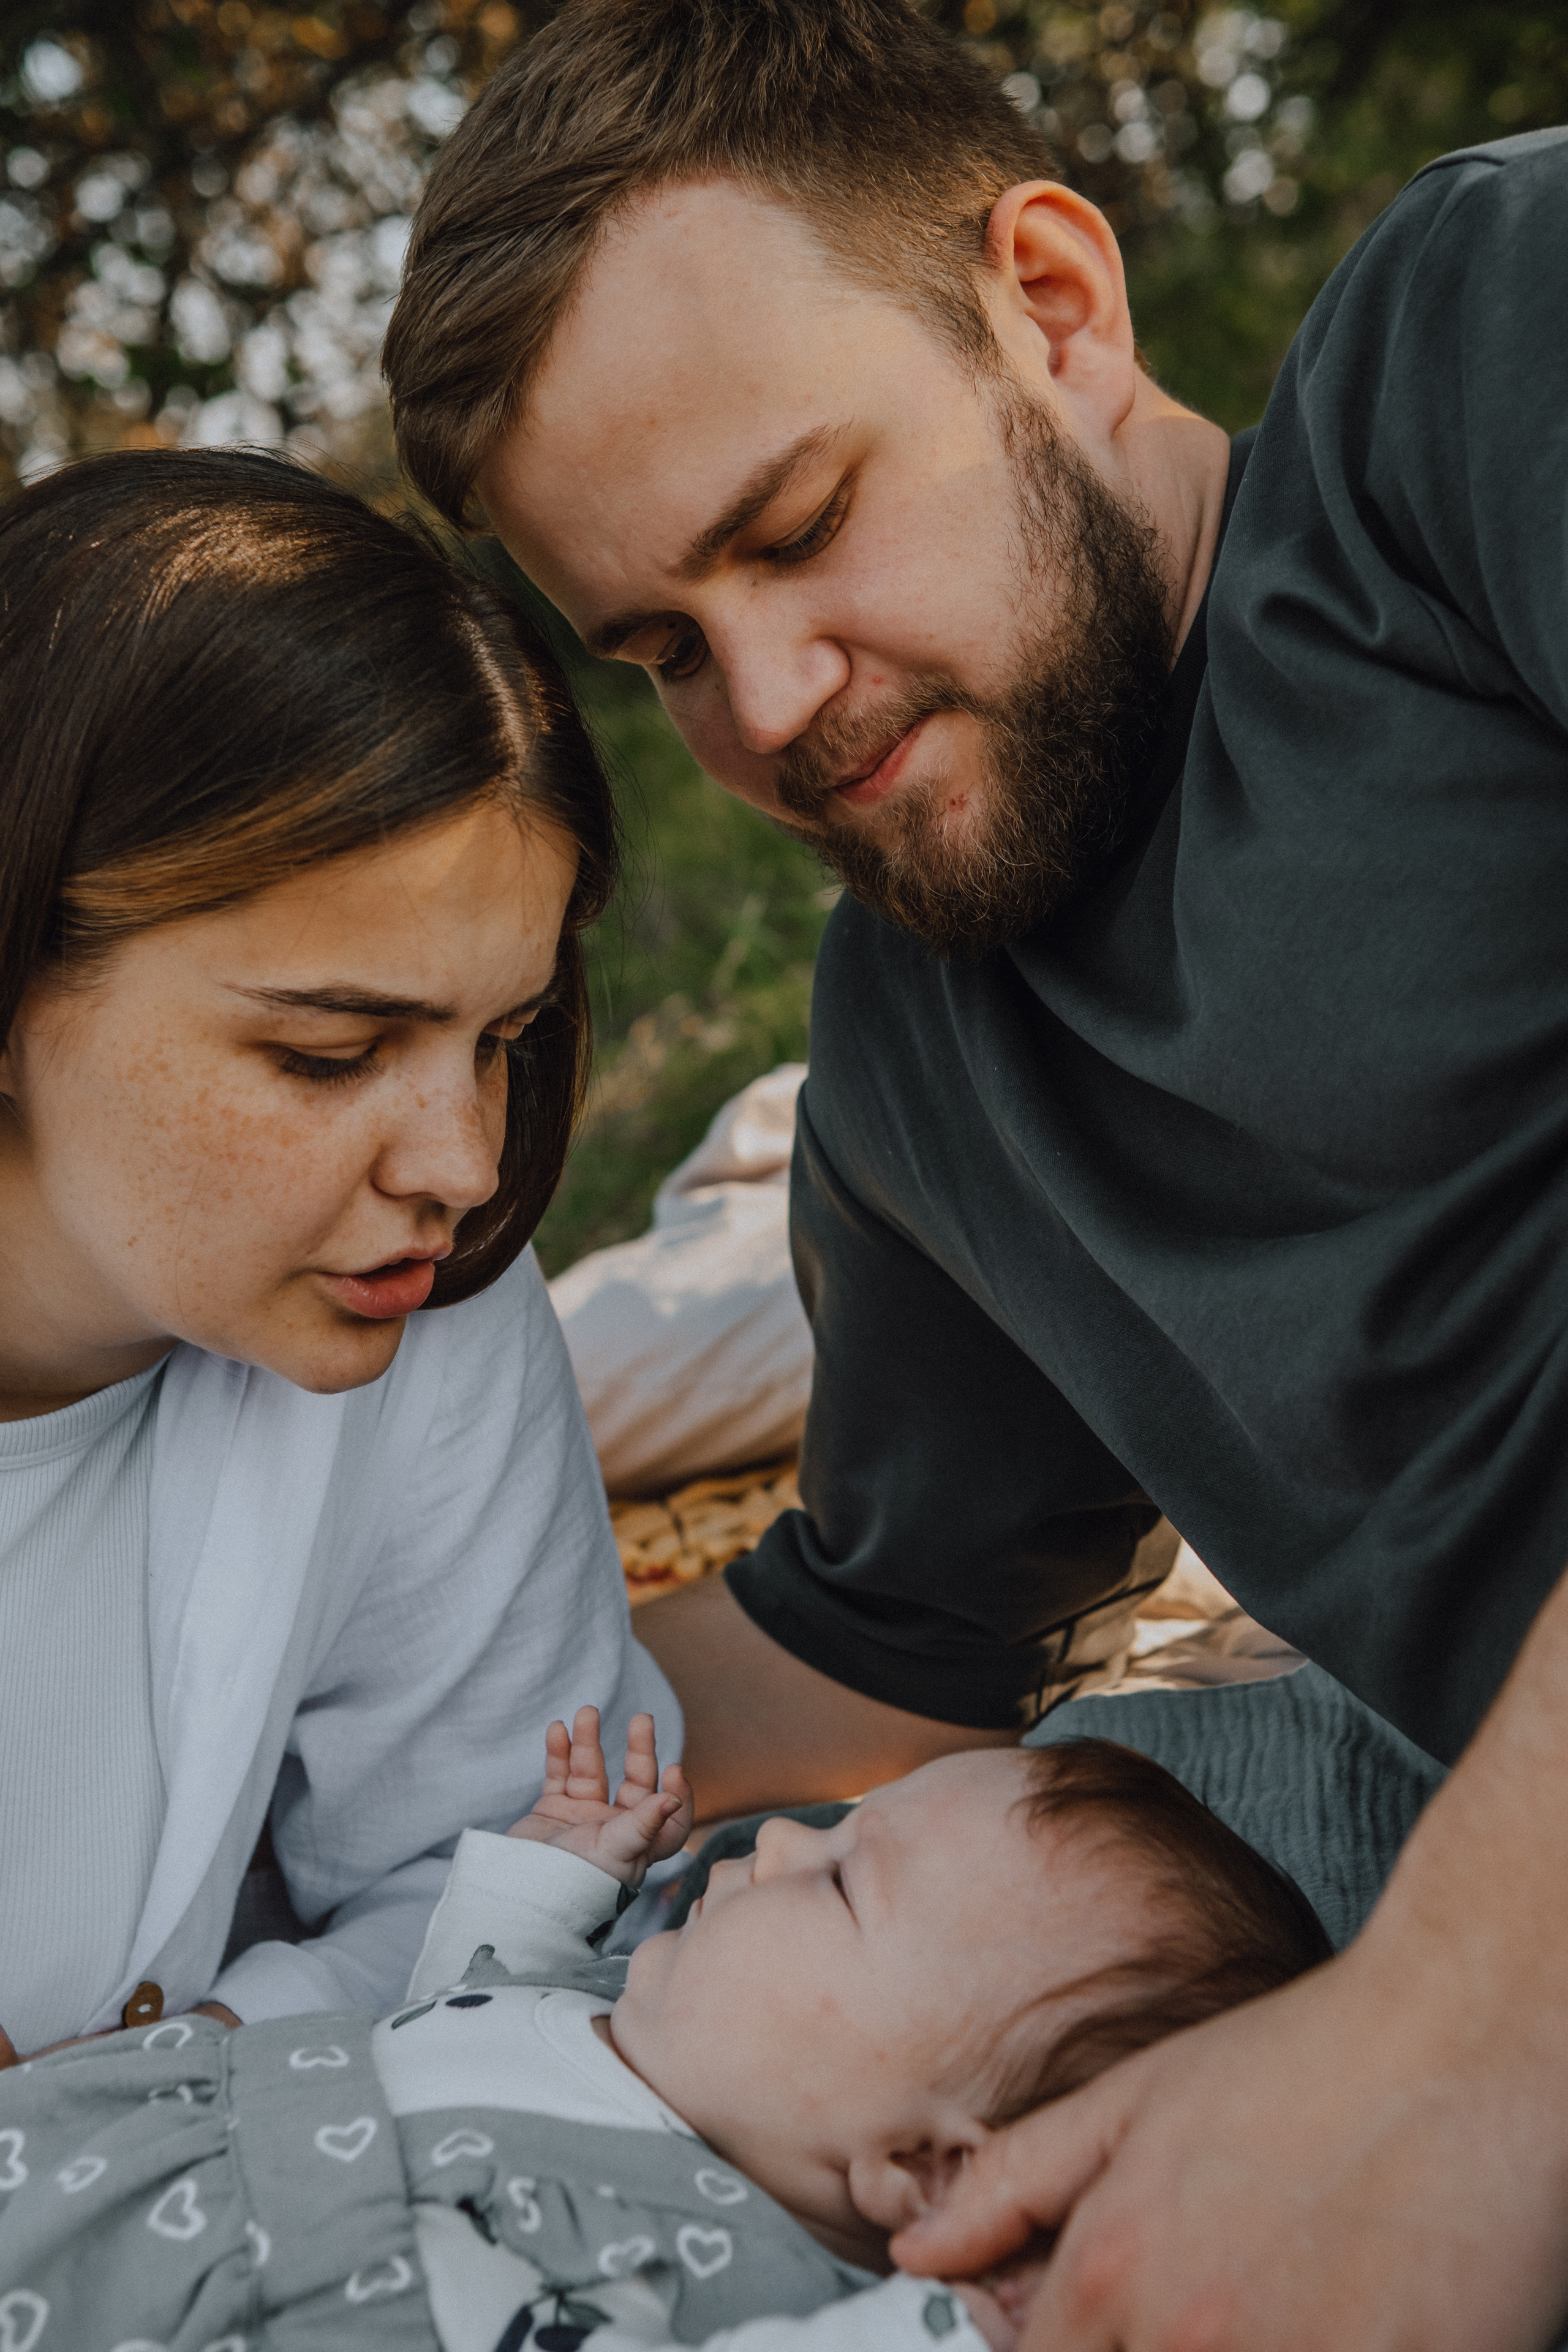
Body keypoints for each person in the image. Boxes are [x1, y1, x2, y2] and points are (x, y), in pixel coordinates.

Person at [380, 1, 1568, 2341]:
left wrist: (1450, 2028)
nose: (767, 709)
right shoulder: (922, 1049)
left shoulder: (1477, 348)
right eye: (663, 649)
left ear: (1051, 301)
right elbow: (874, 1655)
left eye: (798, 527)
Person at [0, 447, 676, 2063]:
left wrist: (179, 2067)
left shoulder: (425, 1310)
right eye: (328, 1053)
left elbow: (517, 1869)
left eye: (502, 1040)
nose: (464, 1168)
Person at [0, 1710, 1330, 2350]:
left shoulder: (736, 2283)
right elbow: (448, 2024)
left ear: (929, 2170)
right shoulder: (628, 2010)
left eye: (842, 1884)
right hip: (80, 2167)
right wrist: (542, 1889)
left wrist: (962, 2327)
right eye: (839, 1826)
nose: (782, 1842)